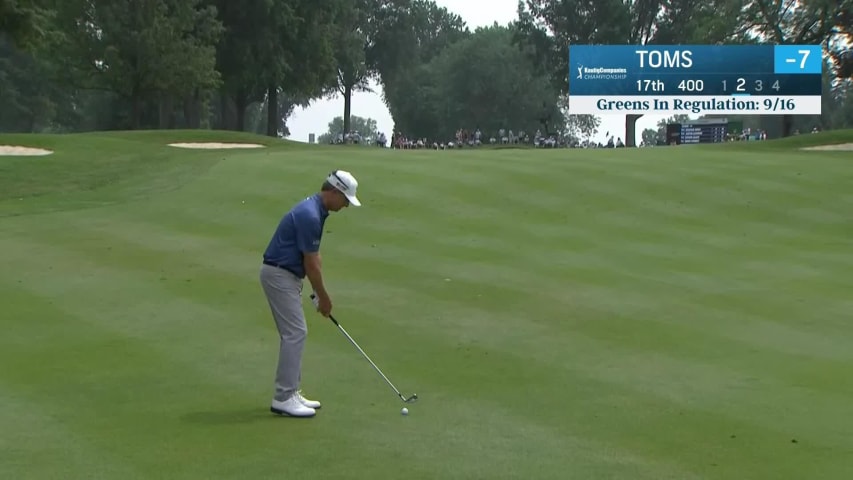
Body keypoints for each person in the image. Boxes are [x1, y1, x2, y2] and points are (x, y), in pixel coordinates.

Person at [259, 170, 361, 417]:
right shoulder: (310, 215)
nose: (346, 205)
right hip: (279, 274)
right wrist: (323, 297)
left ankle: (291, 392)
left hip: (286, 274)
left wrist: (317, 292)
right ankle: (284, 397)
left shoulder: (317, 210)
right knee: (295, 332)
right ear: (334, 192)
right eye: (345, 199)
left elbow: (314, 256)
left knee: (295, 332)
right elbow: (311, 263)